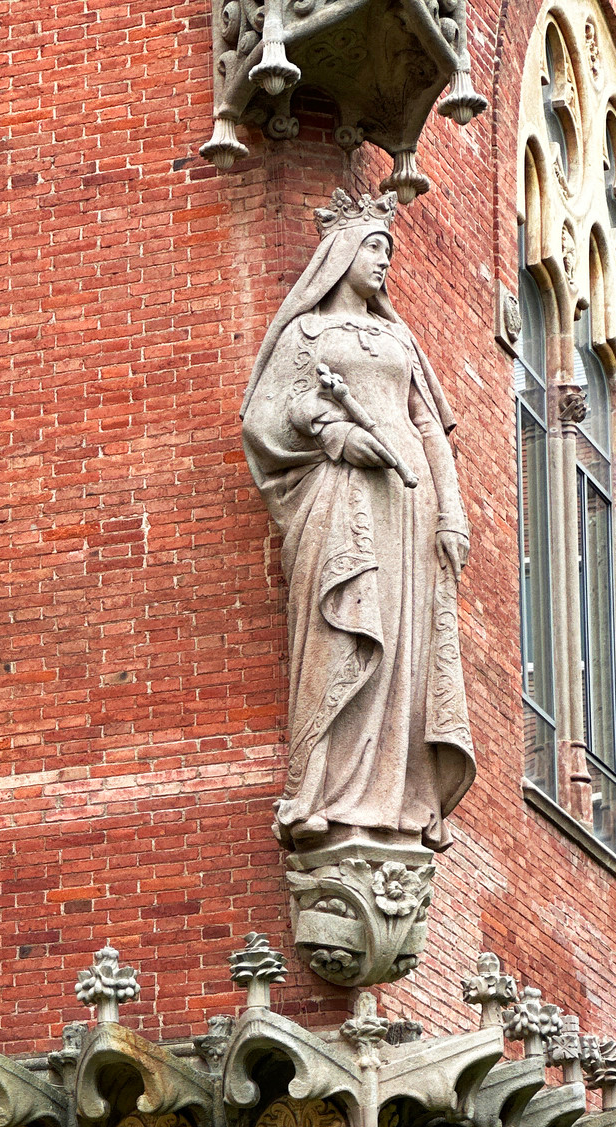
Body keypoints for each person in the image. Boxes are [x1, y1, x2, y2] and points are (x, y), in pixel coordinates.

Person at [240, 188, 475, 853]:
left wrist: (452, 511)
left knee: (405, 646)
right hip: (343, 496)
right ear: (341, 254)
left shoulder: (400, 338)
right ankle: (316, 792)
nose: (383, 261)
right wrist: (336, 434)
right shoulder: (307, 333)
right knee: (342, 630)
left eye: (388, 251)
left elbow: (429, 428)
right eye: (373, 247)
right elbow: (267, 414)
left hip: (410, 503)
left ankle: (402, 799)